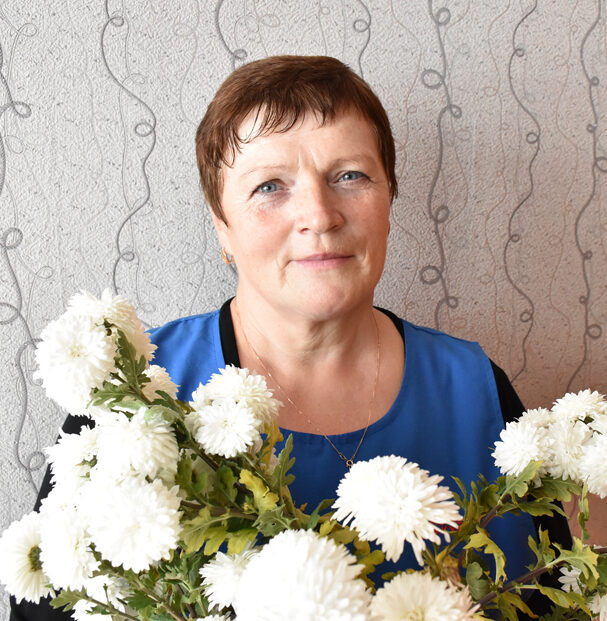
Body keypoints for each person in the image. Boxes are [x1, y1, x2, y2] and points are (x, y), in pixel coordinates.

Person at [11, 55, 570, 621]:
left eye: (350, 176)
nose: (319, 216)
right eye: (270, 186)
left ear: (389, 199)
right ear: (221, 224)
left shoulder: (478, 388)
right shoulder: (136, 394)